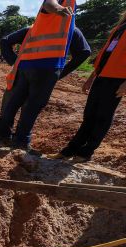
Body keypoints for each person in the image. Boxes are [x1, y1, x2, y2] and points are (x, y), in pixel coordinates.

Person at [0, 0, 79, 152]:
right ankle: (20, 142)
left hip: (27, 65)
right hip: (48, 66)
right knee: (31, 107)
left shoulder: (40, 26)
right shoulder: (63, 8)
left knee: (13, 103)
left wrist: (16, 62)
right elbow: (49, 3)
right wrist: (59, 9)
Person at [50, 12, 126, 162]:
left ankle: (86, 152)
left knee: (102, 117)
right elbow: (106, 56)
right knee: (89, 115)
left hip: (117, 80)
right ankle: (70, 150)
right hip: (102, 76)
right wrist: (91, 78)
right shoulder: (119, 28)